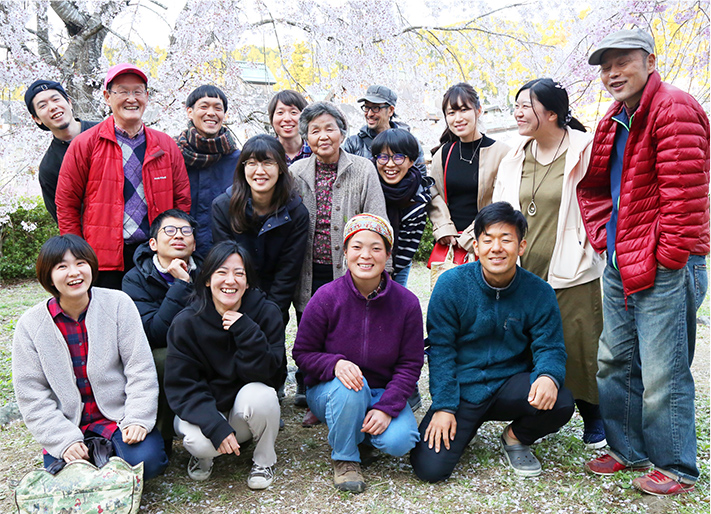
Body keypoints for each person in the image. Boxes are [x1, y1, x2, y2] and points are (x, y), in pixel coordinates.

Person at [578, 29, 709, 496]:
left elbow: (685, 199)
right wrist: (602, 239)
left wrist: (668, 258)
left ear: (650, 60)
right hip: (621, 257)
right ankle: (626, 447)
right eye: (605, 66)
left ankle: (675, 467)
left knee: (663, 369)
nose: (612, 73)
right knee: (615, 359)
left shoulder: (673, 107)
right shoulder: (616, 117)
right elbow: (597, 187)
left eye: (622, 62)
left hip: (666, 262)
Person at [410, 202, 574, 482]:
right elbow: (441, 350)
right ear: (476, 245)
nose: (496, 248)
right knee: (429, 469)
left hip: (511, 384)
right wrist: (445, 406)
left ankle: (514, 437)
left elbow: (550, 346)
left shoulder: (539, 291)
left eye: (506, 239)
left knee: (560, 401)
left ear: (521, 246)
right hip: (464, 389)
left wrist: (548, 375)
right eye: (488, 240)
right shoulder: (451, 285)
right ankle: (465, 425)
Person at [493, 79, 606, 449]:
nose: (518, 112)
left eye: (527, 105)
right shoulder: (516, 155)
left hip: (572, 263)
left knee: (580, 339)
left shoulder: (584, 149)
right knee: (529, 338)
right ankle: (536, 410)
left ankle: (594, 414)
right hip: (525, 267)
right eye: (517, 105)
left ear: (553, 113)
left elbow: (604, 201)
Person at [12, 235, 168, 480]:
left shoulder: (118, 304)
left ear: (92, 266)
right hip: (68, 423)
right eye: (62, 266)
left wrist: (136, 418)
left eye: (80, 263)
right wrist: (63, 440)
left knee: (148, 463)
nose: (74, 272)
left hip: (117, 418)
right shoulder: (30, 325)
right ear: (48, 275)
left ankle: (110, 460)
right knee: (68, 476)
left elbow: (139, 367)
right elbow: (31, 395)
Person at [293, 214, 423, 493]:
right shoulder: (326, 297)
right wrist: (335, 363)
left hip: (381, 391)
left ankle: (357, 434)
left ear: (388, 254)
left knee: (400, 441)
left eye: (376, 248)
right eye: (357, 246)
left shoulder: (407, 304)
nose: (366, 255)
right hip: (332, 391)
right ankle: (345, 458)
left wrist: (387, 408)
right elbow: (302, 353)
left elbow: (411, 364)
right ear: (345, 252)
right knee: (351, 387)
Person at [289, 101, 388, 415]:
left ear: (342, 132)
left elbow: (376, 219)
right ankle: (312, 390)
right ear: (306, 137)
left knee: (347, 326)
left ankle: (348, 391)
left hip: (349, 268)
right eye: (314, 130)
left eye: (329, 128)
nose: (322, 136)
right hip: (307, 266)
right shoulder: (296, 172)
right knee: (310, 324)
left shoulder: (362, 168)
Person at [56, 63, 191, 290]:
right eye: (122, 91)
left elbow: (182, 201)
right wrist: (77, 252)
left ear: (146, 97)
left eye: (137, 91)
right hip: (104, 261)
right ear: (107, 97)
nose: (131, 98)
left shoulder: (166, 145)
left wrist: (175, 245)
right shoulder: (85, 144)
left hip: (155, 257)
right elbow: (66, 203)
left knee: (154, 322)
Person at [165, 241, 283, 489]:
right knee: (199, 442)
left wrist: (247, 331)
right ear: (207, 280)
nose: (230, 280)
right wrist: (215, 425)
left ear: (248, 282)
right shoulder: (186, 322)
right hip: (207, 413)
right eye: (221, 272)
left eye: (239, 273)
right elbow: (183, 386)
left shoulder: (267, 313)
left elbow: (270, 375)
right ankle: (204, 456)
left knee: (263, 395)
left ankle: (264, 460)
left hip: (243, 412)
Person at [122, 209, 201, 454]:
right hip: (163, 348)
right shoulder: (136, 279)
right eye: (170, 230)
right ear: (153, 243)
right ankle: (163, 435)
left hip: (204, 345)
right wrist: (180, 283)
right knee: (163, 358)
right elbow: (154, 333)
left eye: (185, 231)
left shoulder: (209, 271)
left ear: (194, 243)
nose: (179, 236)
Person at [212, 134, 309, 327]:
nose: (259, 171)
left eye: (267, 163)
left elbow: (288, 273)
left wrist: (270, 314)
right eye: (252, 163)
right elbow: (225, 263)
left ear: (281, 168)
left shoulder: (296, 213)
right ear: (243, 167)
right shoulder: (223, 207)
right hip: (232, 301)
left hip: (273, 308)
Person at [427, 82, 510, 262]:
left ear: (478, 110)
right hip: (450, 245)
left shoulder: (502, 152)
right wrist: (443, 228)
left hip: (487, 244)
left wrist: (471, 234)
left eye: (464, 110)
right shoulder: (443, 154)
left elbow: (501, 201)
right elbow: (433, 194)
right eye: (451, 112)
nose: (458, 118)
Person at [175, 85, 241, 257]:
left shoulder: (239, 160)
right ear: (190, 112)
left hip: (224, 256)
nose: (211, 113)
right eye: (204, 106)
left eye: (218, 108)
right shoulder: (173, 155)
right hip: (178, 252)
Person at [24, 80, 99, 223]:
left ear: (69, 102)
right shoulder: (49, 167)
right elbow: (64, 219)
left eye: (55, 99)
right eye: (43, 106)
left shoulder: (105, 132)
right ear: (36, 118)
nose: (52, 107)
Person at [370, 128, 434, 287]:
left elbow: (406, 251)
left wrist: (387, 276)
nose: (390, 164)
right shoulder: (367, 185)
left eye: (398, 157)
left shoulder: (417, 200)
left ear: (411, 160)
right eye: (383, 157)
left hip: (397, 266)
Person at [342, 85, 426, 174]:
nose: (369, 114)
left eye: (375, 108)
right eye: (367, 107)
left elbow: (421, 178)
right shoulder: (353, 144)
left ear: (390, 110)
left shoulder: (409, 142)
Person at [267, 90, 312, 165]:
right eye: (280, 112)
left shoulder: (316, 151)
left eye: (293, 112)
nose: (287, 119)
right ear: (272, 118)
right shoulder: (265, 152)